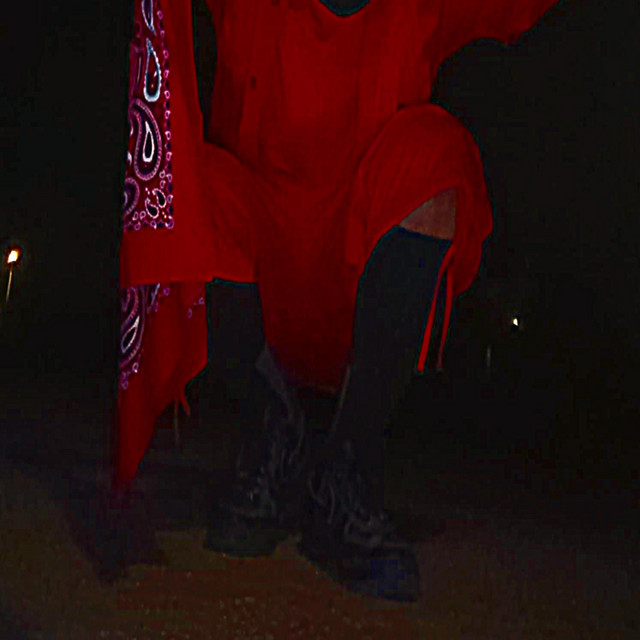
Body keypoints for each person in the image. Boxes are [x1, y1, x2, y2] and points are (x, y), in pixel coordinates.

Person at [116, 0, 561, 601]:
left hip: (361, 301)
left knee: (435, 151)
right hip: (256, 290)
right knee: (186, 174)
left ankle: (347, 472)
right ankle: (274, 444)